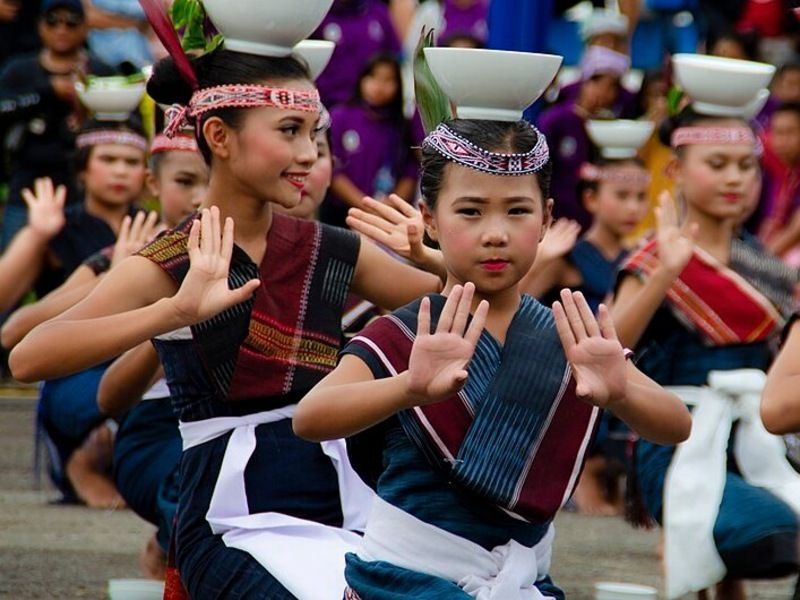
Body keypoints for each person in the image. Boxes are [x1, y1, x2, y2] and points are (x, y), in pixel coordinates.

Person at [9, 16, 443, 596]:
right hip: (229, 517)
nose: (308, 155)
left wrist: (436, 258)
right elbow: (28, 357)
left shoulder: (333, 248)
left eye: (314, 134)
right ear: (219, 137)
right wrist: (173, 315)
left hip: (345, 506)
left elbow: (460, 315)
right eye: (288, 130)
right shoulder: (175, 256)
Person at [293, 51, 691, 599]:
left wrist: (620, 391)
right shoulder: (411, 330)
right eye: (471, 211)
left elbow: (675, 424)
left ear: (548, 218)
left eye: (518, 212)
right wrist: (409, 386)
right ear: (430, 220)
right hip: (403, 584)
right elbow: (311, 418)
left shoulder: (566, 334)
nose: (496, 233)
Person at [612, 78, 800, 596]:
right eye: (716, 165)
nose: (734, 179)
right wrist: (666, 274)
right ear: (675, 171)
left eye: (745, 166)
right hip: (677, 435)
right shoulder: (650, 259)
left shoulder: (770, 269)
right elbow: (608, 346)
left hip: (757, 433)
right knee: (763, 533)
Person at [0, 114, 147, 313]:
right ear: (82, 169)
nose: (120, 171)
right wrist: (36, 235)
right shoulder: (61, 225)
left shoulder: (153, 226)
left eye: (132, 162)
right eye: (108, 159)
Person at [0, 0, 115, 249]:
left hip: (82, 187)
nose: (61, 29)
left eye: (71, 22)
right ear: (40, 26)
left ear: (85, 28)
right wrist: (48, 92)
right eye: (53, 21)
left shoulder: (100, 71)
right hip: (27, 183)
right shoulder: (19, 70)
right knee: (11, 262)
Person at [538, 45, 630, 229]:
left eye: (611, 87)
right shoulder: (556, 119)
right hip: (557, 219)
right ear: (584, 81)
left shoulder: (611, 126)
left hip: (593, 222)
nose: (603, 92)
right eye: (597, 82)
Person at [324, 53, 417, 228]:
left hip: (388, 218)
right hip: (341, 213)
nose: (379, 86)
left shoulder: (401, 126)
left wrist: (387, 208)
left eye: (388, 80)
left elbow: (409, 173)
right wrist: (366, 207)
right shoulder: (340, 116)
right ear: (362, 79)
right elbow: (332, 169)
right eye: (373, 77)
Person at [312, 0, 401, 108]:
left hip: (372, 110)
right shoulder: (318, 13)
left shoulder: (378, 12)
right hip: (327, 104)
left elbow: (393, 60)